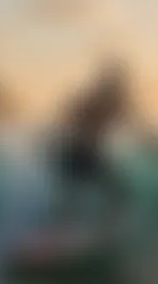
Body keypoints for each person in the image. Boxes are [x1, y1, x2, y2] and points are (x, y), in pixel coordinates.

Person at [51, 58, 138, 230]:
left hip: (84, 153)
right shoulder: (97, 98)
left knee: (116, 194)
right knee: (76, 196)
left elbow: (135, 124)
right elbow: (70, 115)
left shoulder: (115, 101)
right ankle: (62, 231)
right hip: (75, 153)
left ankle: (100, 229)